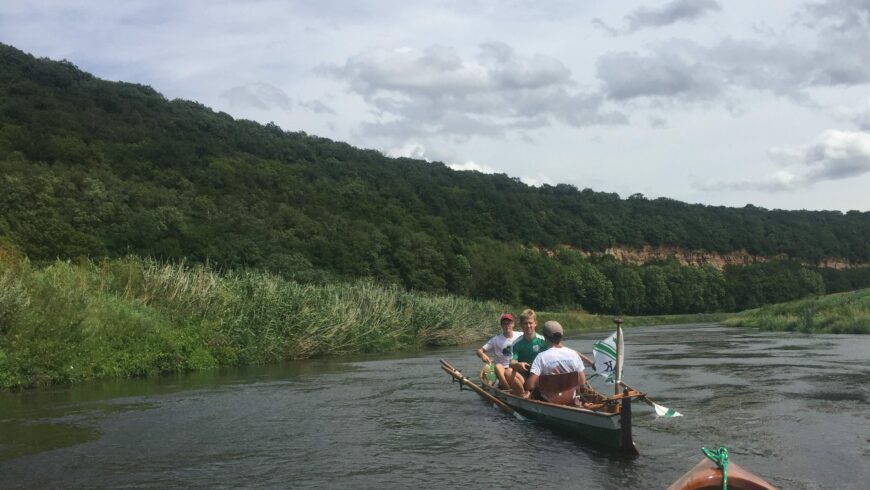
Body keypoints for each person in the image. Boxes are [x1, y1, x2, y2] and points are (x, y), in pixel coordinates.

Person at [525, 320, 587, 404]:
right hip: (570, 400)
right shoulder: (574, 354)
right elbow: (582, 382)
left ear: (545, 337)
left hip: (548, 401)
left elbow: (530, 385)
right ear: (561, 336)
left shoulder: (541, 357)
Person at [505, 309, 547, 396]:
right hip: (525, 374)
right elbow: (512, 363)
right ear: (521, 325)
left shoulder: (543, 341)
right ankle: (523, 394)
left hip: (540, 374)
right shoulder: (516, 343)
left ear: (535, 323)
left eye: (530, 323)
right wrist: (518, 364)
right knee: (507, 372)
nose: (528, 326)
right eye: (525, 323)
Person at [476, 313, 522, 389]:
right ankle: (507, 389)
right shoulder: (495, 340)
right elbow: (479, 351)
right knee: (497, 366)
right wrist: (482, 355)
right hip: (501, 369)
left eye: (509, 323)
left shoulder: (520, 335)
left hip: (515, 368)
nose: (507, 326)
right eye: (504, 324)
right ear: (501, 325)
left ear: (513, 324)